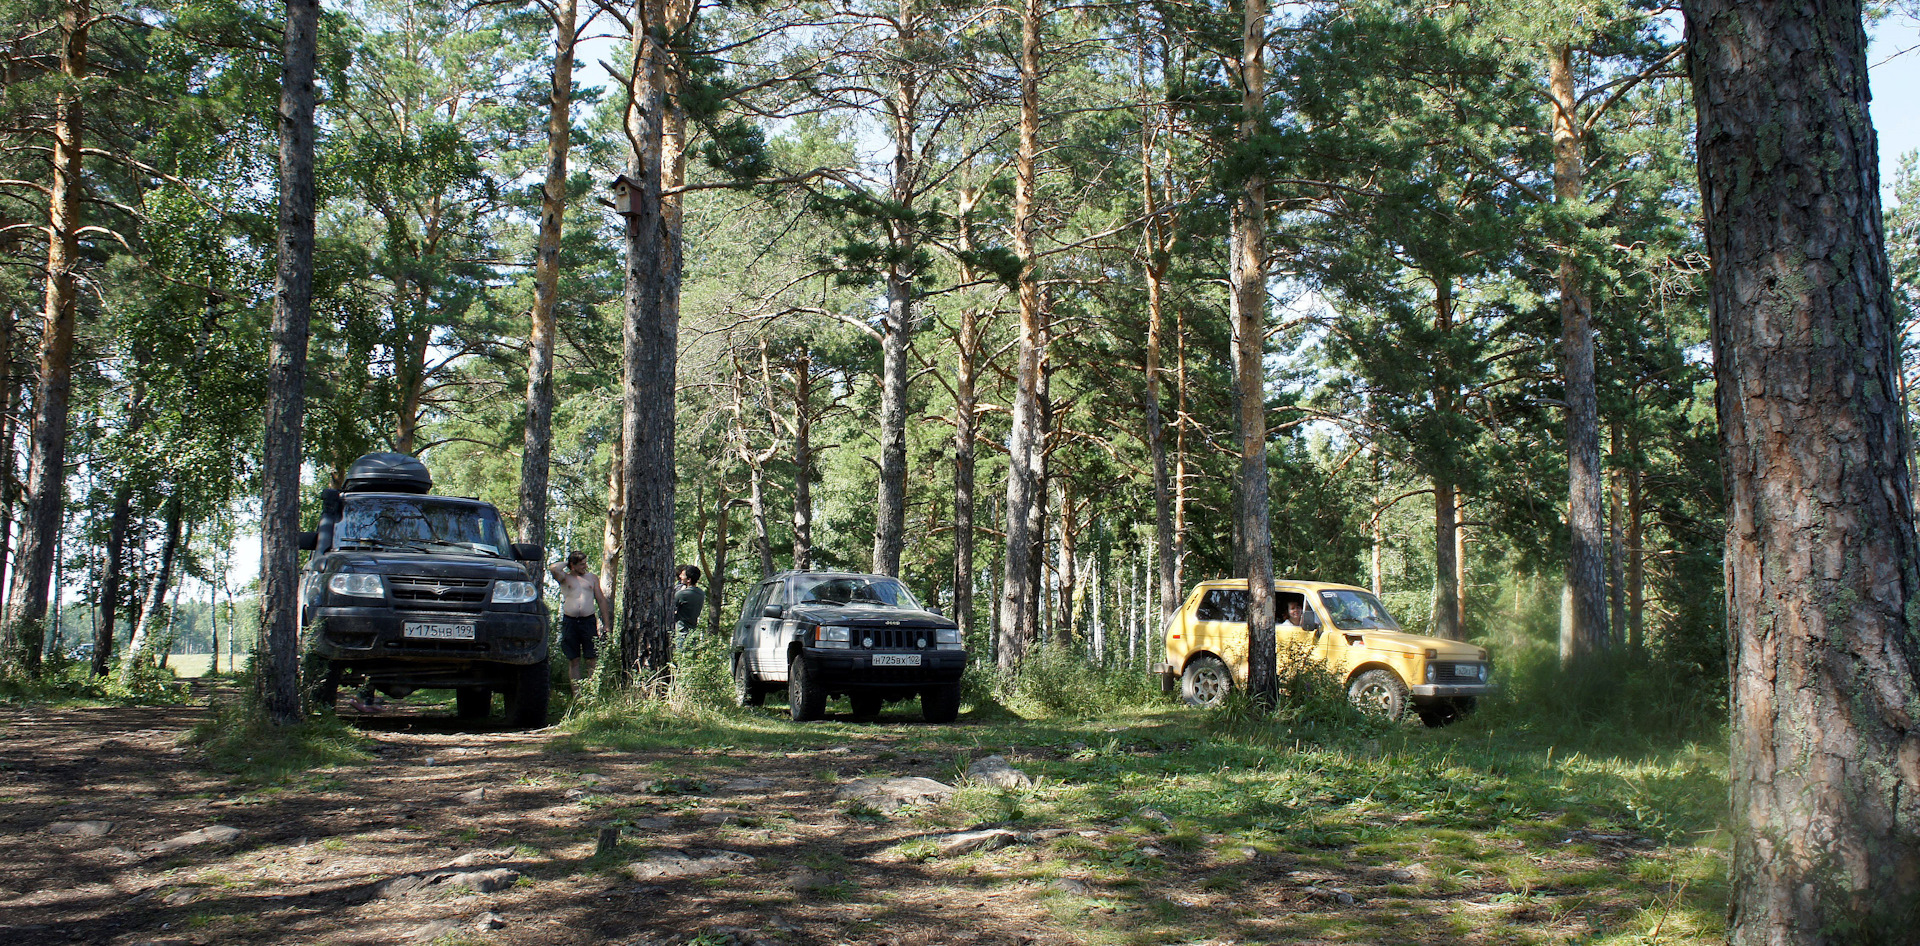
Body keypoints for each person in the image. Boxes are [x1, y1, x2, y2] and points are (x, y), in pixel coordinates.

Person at [548, 551, 611, 685]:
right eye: (581, 564)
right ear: (573, 565)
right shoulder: (564, 578)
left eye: (585, 563)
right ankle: (577, 696)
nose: (585, 566)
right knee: (574, 660)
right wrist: (568, 562)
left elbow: (601, 600)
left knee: (592, 658)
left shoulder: (592, 578)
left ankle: (592, 692)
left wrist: (606, 624)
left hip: (588, 622)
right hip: (570, 622)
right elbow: (553, 567)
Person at [674, 564, 705, 647]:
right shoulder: (701, 593)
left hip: (681, 635)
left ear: (688, 580)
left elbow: (669, 608)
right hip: (692, 636)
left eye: (683, 575)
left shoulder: (682, 594)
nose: (680, 576)